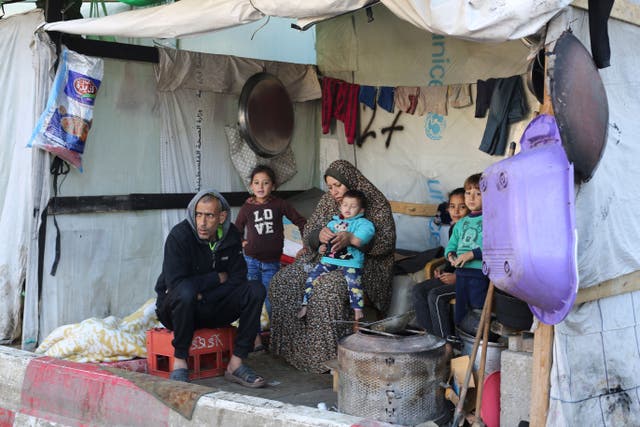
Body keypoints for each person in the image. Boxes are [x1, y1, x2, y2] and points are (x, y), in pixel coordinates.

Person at [268, 160, 396, 373]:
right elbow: (310, 232)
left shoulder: (374, 202)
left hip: (363, 266)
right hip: (326, 259)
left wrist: (352, 238)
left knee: (327, 289)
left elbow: (385, 243)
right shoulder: (329, 201)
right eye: (330, 187)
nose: (334, 192)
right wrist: (318, 235)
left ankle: (326, 358)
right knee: (284, 282)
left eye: (338, 185)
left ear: (350, 181)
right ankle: (294, 350)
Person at [155, 189, 266, 387]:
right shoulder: (179, 236)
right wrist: (215, 278)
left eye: (209, 216)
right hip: (177, 311)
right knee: (185, 292)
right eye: (198, 214)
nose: (202, 222)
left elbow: (237, 278)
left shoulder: (231, 235)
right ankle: (180, 363)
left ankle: (236, 363)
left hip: (211, 306)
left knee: (255, 290)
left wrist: (204, 295)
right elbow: (176, 284)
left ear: (221, 217)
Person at [234, 165, 306, 350]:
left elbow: (300, 221)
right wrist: (241, 242)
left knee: (271, 301)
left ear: (273, 186)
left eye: (265, 183)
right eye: (257, 183)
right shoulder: (247, 207)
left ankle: (277, 340)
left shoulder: (280, 204)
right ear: (251, 186)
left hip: (272, 263)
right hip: (251, 262)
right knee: (252, 301)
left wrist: (306, 245)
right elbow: (237, 229)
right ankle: (255, 339)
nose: (261, 187)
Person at [298, 190, 375, 321]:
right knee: (312, 277)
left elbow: (359, 240)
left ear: (361, 210)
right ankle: (305, 304)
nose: (348, 208)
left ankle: (358, 310)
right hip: (329, 259)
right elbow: (325, 242)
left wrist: (350, 237)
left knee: (353, 282)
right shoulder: (333, 223)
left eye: (353, 206)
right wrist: (322, 246)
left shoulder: (364, 224)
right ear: (340, 206)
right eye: (345, 205)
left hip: (350, 262)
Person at [412, 187, 469, 338]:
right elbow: (453, 258)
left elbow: (476, 262)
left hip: (467, 279)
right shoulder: (454, 229)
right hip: (455, 275)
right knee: (418, 290)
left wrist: (457, 277)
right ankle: (430, 336)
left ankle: (445, 341)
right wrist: (444, 272)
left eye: (462, 207)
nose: (456, 211)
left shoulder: (473, 231)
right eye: (452, 206)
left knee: (435, 295)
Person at [445, 173, 490, 325]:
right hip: (461, 273)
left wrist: (472, 254)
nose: (471, 198)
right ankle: (461, 339)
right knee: (461, 310)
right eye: (468, 193)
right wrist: (451, 256)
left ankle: (476, 342)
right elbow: (451, 246)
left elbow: (495, 248)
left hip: (480, 274)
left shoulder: (492, 219)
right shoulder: (460, 223)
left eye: (478, 194)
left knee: (477, 310)